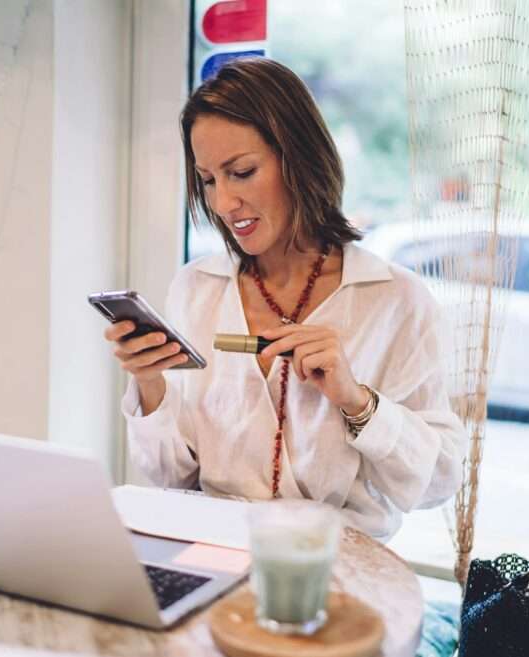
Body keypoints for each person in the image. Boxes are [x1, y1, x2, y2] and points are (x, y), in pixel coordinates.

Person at [103, 58, 467, 540]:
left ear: (299, 157)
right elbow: (172, 477)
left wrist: (357, 402)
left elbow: (438, 482)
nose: (222, 203)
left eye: (242, 171)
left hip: (338, 567)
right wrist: (150, 383)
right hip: (215, 553)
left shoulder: (395, 302)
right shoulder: (196, 290)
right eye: (209, 180)